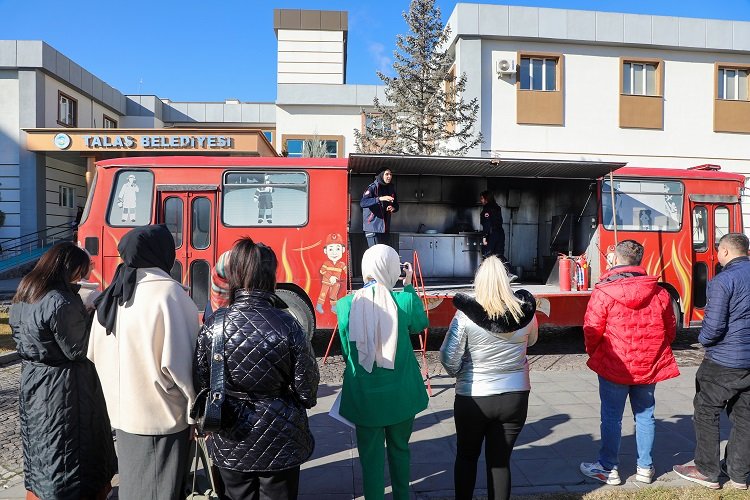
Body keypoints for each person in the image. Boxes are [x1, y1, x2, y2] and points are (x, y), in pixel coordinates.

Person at [194, 238, 319, 500]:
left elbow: (202, 381)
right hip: (280, 434)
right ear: (271, 275)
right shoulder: (289, 324)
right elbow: (307, 390)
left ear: (235, 275)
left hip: (229, 433)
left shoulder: (215, 323)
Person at [87, 224, 200, 500]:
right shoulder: (170, 296)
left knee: (135, 488)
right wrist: (195, 413)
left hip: (123, 417)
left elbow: (93, 354)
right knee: (159, 491)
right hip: (162, 417)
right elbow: (187, 368)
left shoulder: (113, 295)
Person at [10, 242, 116, 500]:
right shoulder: (61, 300)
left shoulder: (26, 293)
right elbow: (78, 349)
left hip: (34, 380)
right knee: (71, 448)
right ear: (66, 268)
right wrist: (91, 314)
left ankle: (41, 492)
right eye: (79, 271)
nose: (82, 277)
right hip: (65, 387)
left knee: (42, 447)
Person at [580, 239, 679, 486]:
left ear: (616, 259)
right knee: (645, 416)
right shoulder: (660, 293)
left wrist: (595, 353)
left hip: (615, 364)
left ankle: (608, 468)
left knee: (611, 417)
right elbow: (670, 329)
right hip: (648, 364)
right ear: (639, 261)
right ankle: (645, 467)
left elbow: (592, 330)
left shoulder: (604, 292)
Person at [440, 256, 538, 500]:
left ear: (479, 281)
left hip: (474, 395)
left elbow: (448, 359)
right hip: (515, 395)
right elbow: (532, 341)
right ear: (507, 281)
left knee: (466, 456)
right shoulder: (526, 312)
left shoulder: (465, 316)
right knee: (500, 462)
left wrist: (461, 373)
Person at [336, 244, 429, 499]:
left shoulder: (345, 305)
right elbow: (421, 324)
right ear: (390, 268)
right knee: (401, 450)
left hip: (364, 395)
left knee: (370, 459)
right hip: (402, 394)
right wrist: (408, 285)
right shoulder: (403, 300)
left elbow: (347, 352)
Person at [674, 233, 750, 490]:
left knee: (706, 410)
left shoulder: (722, 281)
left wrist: (704, 339)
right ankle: (739, 475)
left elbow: (714, 327)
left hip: (724, 360)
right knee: (745, 415)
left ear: (726, 252)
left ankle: (706, 470)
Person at [361, 167, 398, 247]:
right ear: (381, 175)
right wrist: (380, 198)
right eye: (387, 174)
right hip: (372, 228)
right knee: (376, 254)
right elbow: (363, 203)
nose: (389, 176)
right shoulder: (373, 187)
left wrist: (393, 208)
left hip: (385, 228)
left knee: (384, 254)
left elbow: (396, 205)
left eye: (391, 174)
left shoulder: (391, 189)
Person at [316, 232, 347, 314]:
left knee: (334, 295)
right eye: (330, 249)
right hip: (326, 282)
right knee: (323, 294)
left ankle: (334, 307)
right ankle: (319, 306)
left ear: (343, 250)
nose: (334, 252)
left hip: (336, 283)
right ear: (325, 251)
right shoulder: (326, 263)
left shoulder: (342, 264)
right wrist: (330, 277)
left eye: (337, 249)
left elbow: (347, 271)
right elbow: (322, 271)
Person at [479, 190, 505, 260]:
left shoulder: (487, 209)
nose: (480, 200)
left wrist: (484, 238)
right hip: (500, 233)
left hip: (492, 235)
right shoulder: (497, 208)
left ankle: (485, 271)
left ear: (486, 199)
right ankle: (510, 271)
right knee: (499, 257)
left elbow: (487, 224)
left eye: (482, 198)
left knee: (487, 256)